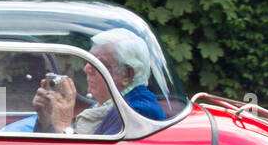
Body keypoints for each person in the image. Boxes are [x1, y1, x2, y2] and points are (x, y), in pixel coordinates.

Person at [32, 29, 169, 134]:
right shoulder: (109, 104)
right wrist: (46, 120)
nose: (87, 68)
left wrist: (63, 125)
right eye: (89, 61)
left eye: (99, 64)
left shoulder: (135, 112)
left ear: (126, 74)